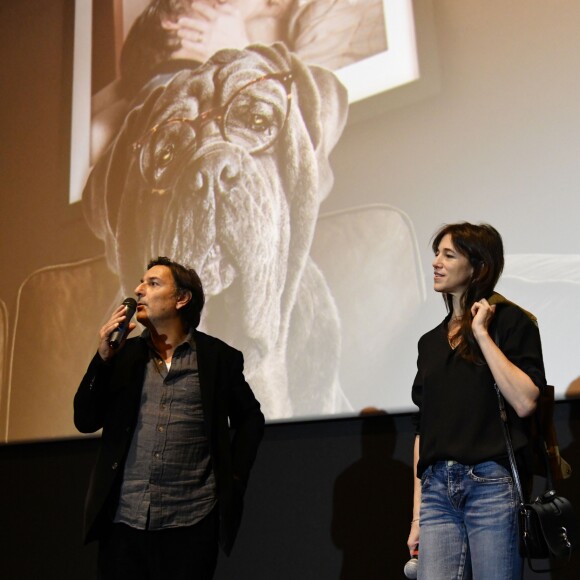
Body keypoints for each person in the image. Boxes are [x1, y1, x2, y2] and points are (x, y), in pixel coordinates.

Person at [74, 256, 265, 579]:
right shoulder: (124, 357)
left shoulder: (219, 358)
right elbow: (85, 419)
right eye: (140, 282)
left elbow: (251, 419)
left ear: (181, 298)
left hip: (190, 523)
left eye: (153, 283)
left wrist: (234, 478)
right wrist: (102, 359)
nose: (138, 290)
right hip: (125, 522)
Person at [407, 222, 547, 579]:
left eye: (448, 254)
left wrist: (482, 334)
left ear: (478, 267)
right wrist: (417, 516)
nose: (436, 262)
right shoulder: (430, 343)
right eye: (436, 253)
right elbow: (423, 433)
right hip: (437, 490)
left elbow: (526, 401)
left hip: (491, 483)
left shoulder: (512, 323)